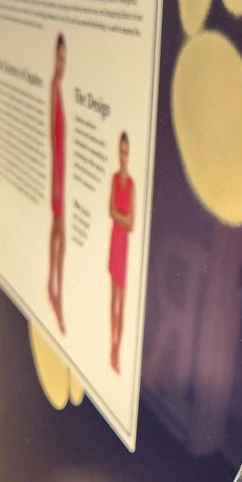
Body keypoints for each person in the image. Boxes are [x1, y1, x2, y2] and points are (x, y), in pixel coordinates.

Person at [108, 131, 134, 374]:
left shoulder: (131, 184)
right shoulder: (115, 179)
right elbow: (112, 212)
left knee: (122, 302)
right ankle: (112, 345)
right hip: (115, 240)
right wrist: (121, 217)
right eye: (121, 151)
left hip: (123, 244)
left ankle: (117, 348)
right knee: (112, 298)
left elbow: (131, 221)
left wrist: (120, 217)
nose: (123, 156)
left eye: (126, 152)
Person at [47, 33, 66, 334]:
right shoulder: (53, 87)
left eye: (64, 58)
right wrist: (57, 185)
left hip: (60, 172)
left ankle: (54, 287)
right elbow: (53, 136)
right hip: (57, 176)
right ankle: (56, 293)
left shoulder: (59, 87)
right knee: (58, 236)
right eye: (59, 57)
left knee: (57, 234)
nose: (62, 63)